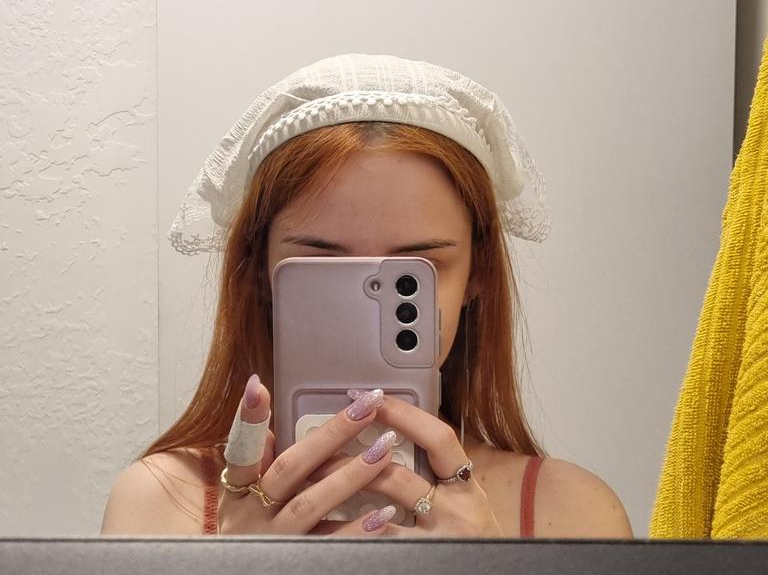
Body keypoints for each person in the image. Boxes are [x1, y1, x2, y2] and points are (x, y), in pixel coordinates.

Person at [101, 53, 633, 539]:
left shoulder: (573, 511)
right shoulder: (158, 502)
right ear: (260, 274)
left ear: (478, 276)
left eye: (413, 275)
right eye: (320, 265)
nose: (363, 309)